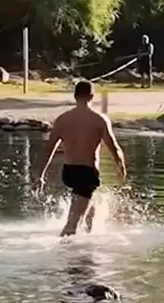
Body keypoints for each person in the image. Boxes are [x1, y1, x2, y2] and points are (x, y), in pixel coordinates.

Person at [38, 80, 127, 237]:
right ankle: (62, 254)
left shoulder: (62, 119)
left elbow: (48, 149)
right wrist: (121, 167)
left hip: (69, 173)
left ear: (75, 96)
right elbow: (114, 147)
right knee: (73, 224)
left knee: (88, 206)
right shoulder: (99, 120)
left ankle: (88, 239)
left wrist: (41, 174)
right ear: (91, 96)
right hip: (87, 173)